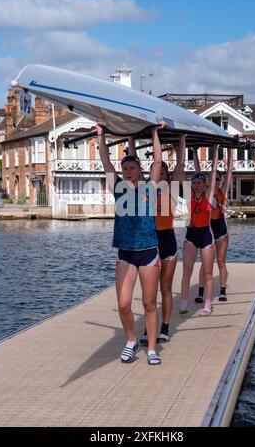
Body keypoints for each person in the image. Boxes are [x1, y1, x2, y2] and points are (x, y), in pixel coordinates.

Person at [97, 122, 164, 365]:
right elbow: (106, 163)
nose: (127, 172)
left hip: (148, 252)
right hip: (125, 252)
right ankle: (130, 340)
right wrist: (101, 134)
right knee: (124, 304)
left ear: (139, 171)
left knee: (148, 303)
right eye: (124, 168)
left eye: (131, 168)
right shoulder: (118, 190)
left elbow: (157, 162)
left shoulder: (150, 188)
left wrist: (156, 132)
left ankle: (153, 349)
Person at [128, 135, 186, 344]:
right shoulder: (146, 189)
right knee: (149, 291)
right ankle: (148, 327)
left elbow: (180, 164)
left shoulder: (172, 189)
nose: (159, 173)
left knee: (166, 288)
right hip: (150, 240)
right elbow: (133, 160)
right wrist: (130, 139)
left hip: (167, 239)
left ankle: (165, 327)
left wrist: (181, 141)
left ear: (167, 175)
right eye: (156, 171)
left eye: (162, 171)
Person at [180, 144, 219, 316]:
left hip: (205, 236)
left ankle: (208, 304)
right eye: (194, 183)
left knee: (208, 272)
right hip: (191, 235)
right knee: (186, 271)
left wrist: (215, 150)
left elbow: (211, 173)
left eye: (199, 183)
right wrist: (184, 149)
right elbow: (181, 174)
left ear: (205, 185)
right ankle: (183, 303)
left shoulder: (209, 196)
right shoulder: (189, 196)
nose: (196, 185)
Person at [193, 148, 233, 302]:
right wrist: (195, 153)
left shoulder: (223, 191)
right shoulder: (204, 192)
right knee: (205, 262)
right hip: (207, 228)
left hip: (220, 228)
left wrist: (230, 153)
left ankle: (222, 290)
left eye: (217, 179)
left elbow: (229, 171)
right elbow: (198, 172)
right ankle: (200, 292)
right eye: (212, 178)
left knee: (221, 261)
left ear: (220, 181)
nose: (215, 181)